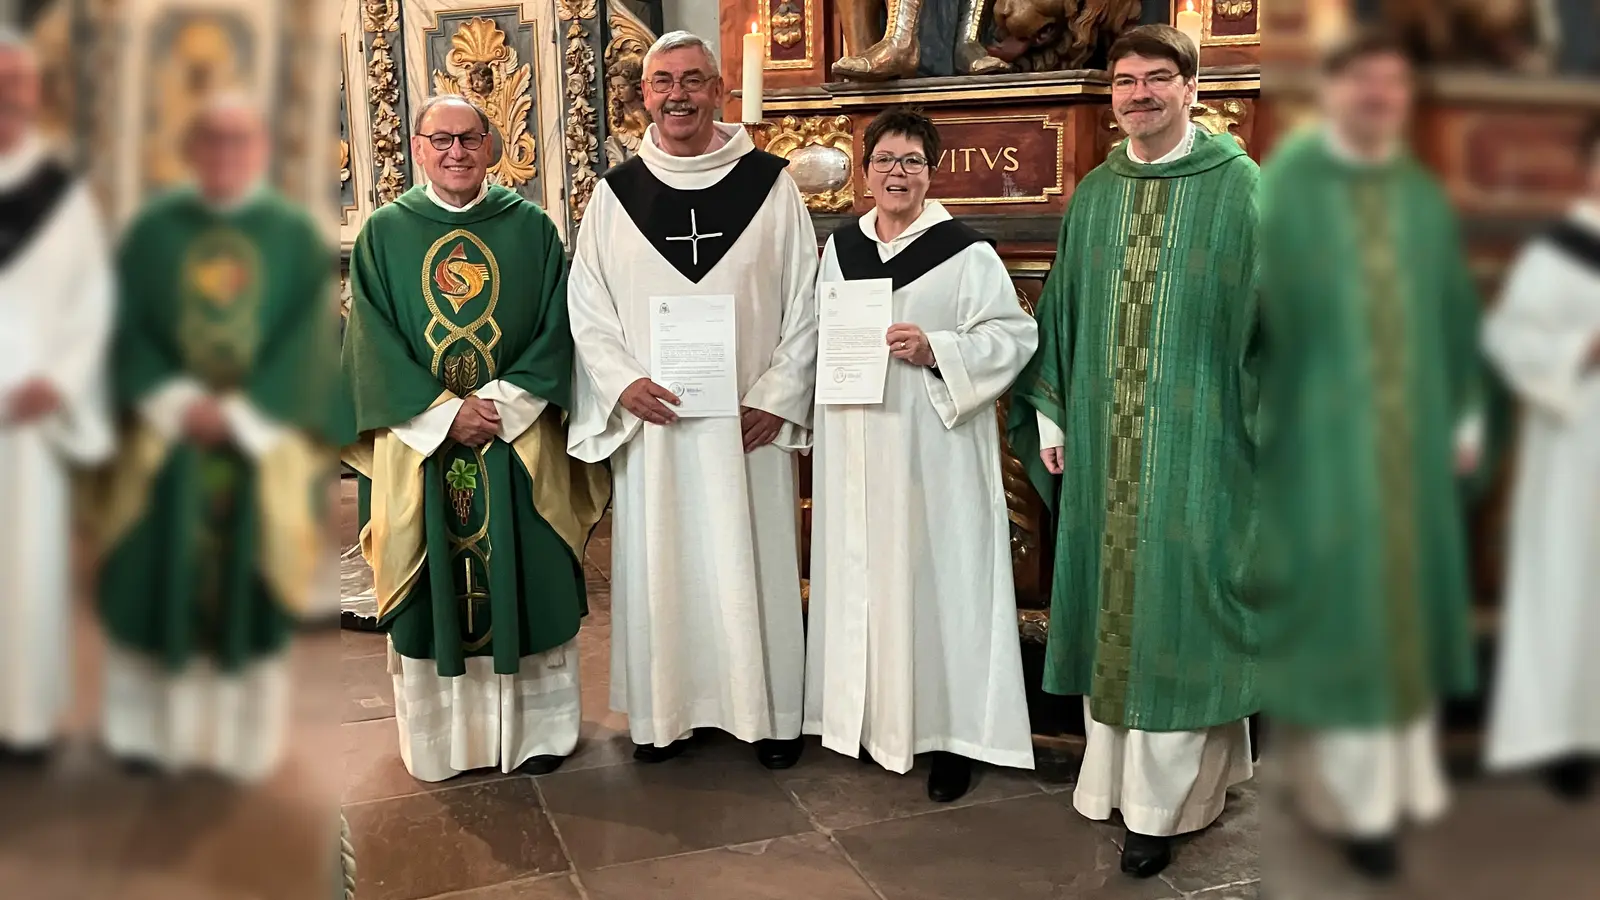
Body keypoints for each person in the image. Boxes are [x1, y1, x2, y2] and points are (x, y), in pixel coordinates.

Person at [1006, 24, 1259, 878]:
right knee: (1118, 603)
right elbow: (1061, 319)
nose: (1138, 94)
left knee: (1183, 609)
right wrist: (1052, 420)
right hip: (1103, 450)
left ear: (1193, 88)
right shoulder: (1096, 195)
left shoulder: (1241, 191)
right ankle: (1117, 784)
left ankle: (1164, 807)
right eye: (1124, 81)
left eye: (1157, 78)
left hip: (1201, 445)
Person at [1258, 31, 1484, 878]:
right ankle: (1350, 801)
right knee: (1345, 616)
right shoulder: (1289, 186)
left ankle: (1395, 783)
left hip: (1411, 438)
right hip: (1324, 444)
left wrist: (1463, 413)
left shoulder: (1418, 194)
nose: (1380, 101)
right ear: (1332, 93)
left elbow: (1453, 312)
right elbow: (1257, 321)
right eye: (1364, 87)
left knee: (1403, 612)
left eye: (1394, 88)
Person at [567, 31, 818, 769]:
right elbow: (588, 309)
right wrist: (621, 383)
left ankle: (768, 715)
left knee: (755, 560)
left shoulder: (772, 186)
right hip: (660, 424)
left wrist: (778, 393)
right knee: (664, 565)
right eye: (662, 82)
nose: (677, 95)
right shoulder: (614, 198)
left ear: (717, 90)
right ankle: (665, 716)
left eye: (693, 80)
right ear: (643, 95)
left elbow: (808, 302)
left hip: (748, 425)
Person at [340, 94, 608, 782]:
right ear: (419, 148)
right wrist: (441, 415)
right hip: (422, 446)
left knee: (530, 570)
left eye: (469, 139)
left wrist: (497, 404)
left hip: (514, 441)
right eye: (441, 140)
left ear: (492, 146)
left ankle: (537, 736)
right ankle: (446, 744)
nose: (456, 152)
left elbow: (559, 329)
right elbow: (369, 342)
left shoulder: (532, 229)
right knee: (435, 586)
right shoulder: (383, 233)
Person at [95, 95, 337, 782]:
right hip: (163, 446)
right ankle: (151, 736)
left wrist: (241, 415)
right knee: (151, 576)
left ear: (261, 150)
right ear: (192, 150)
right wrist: (177, 403)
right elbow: (126, 327)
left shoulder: (290, 232)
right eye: (213, 140)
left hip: (260, 445)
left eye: (241, 141)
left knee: (250, 589)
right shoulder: (153, 231)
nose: (226, 154)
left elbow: (307, 342)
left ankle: (238, 743)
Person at [804, 106, 1038, 802]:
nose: (896, 174)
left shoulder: (967, 252)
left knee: (942, 585)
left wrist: (938, 348)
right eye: (884, 161)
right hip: (858, 441)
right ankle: (871, 719)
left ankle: (953, 736)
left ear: (930, 172)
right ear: (865, 172)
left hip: (935, 452)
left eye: (911, 161)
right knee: (864, 578)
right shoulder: (841, 249)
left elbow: (1013, 336)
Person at [0, 29, 115, 764]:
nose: (9, 96)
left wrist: (61, 380)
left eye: (18, 82)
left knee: (30, 575)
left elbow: (91, 297)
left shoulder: (61, 194)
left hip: (30, 422)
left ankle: (24, 723)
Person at [1482, 116, 1600, 800]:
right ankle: (1567, 739)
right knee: (1571, 590)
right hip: (1575, 442)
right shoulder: (1560, 251)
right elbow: (1508, 339)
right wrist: (1578, 353)